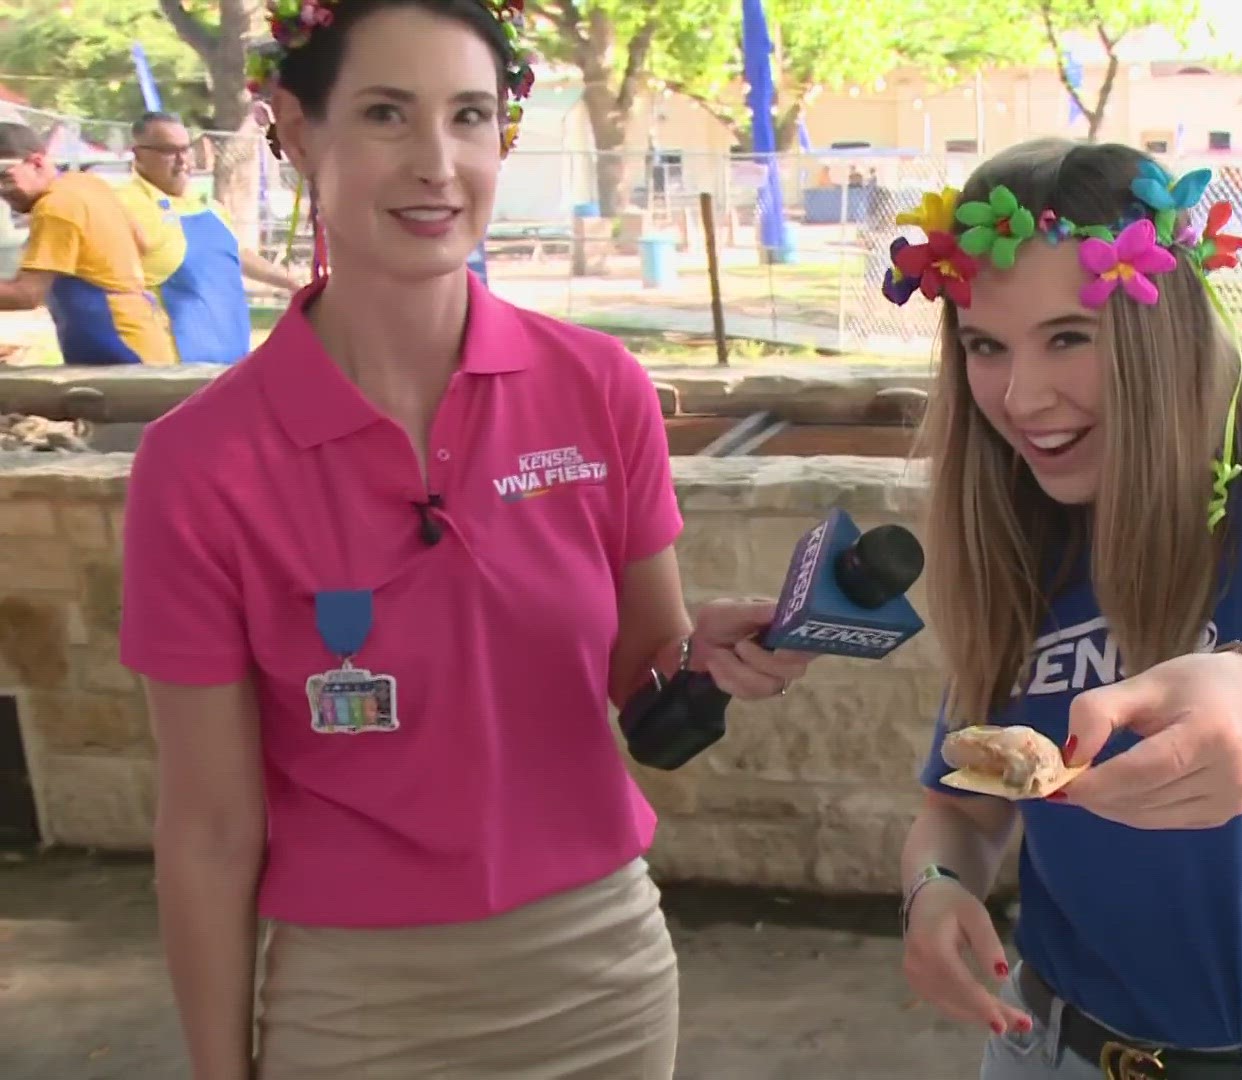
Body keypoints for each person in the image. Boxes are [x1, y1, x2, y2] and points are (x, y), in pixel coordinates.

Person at [116, 2, 813, 1078]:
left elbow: (643, 669)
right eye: (387, 114)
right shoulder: (201, 463)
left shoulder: (599, 387)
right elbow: (209, 830)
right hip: (354, 1009)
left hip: (601, 976)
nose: (436, 164)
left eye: (470, 116)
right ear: (297, 132)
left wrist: (706, 650)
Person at [886, 139, 1242, 1079]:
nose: (1021, 398)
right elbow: (964, 806)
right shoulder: (1024, 529)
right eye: (986, 346)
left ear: (1167, 329)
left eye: (1069, 336)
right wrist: (933, 891)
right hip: (1047, 1049)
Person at [119, 111, 305, 365]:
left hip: (231, 356)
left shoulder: (207, 205)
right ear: (138, 154)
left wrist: (289, 281)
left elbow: (234, 253)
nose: (183, 160)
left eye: (186, 148)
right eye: (168, 151)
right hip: (170, 366)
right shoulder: (122, 205)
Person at [0, 121, 176, 365]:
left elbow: (26, 295)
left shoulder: (54, 208)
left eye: (4, 177)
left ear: (37, 162)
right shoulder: (86, 184)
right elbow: (141, 243)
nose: (2, 190)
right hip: (145, 337)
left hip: (119, 345)